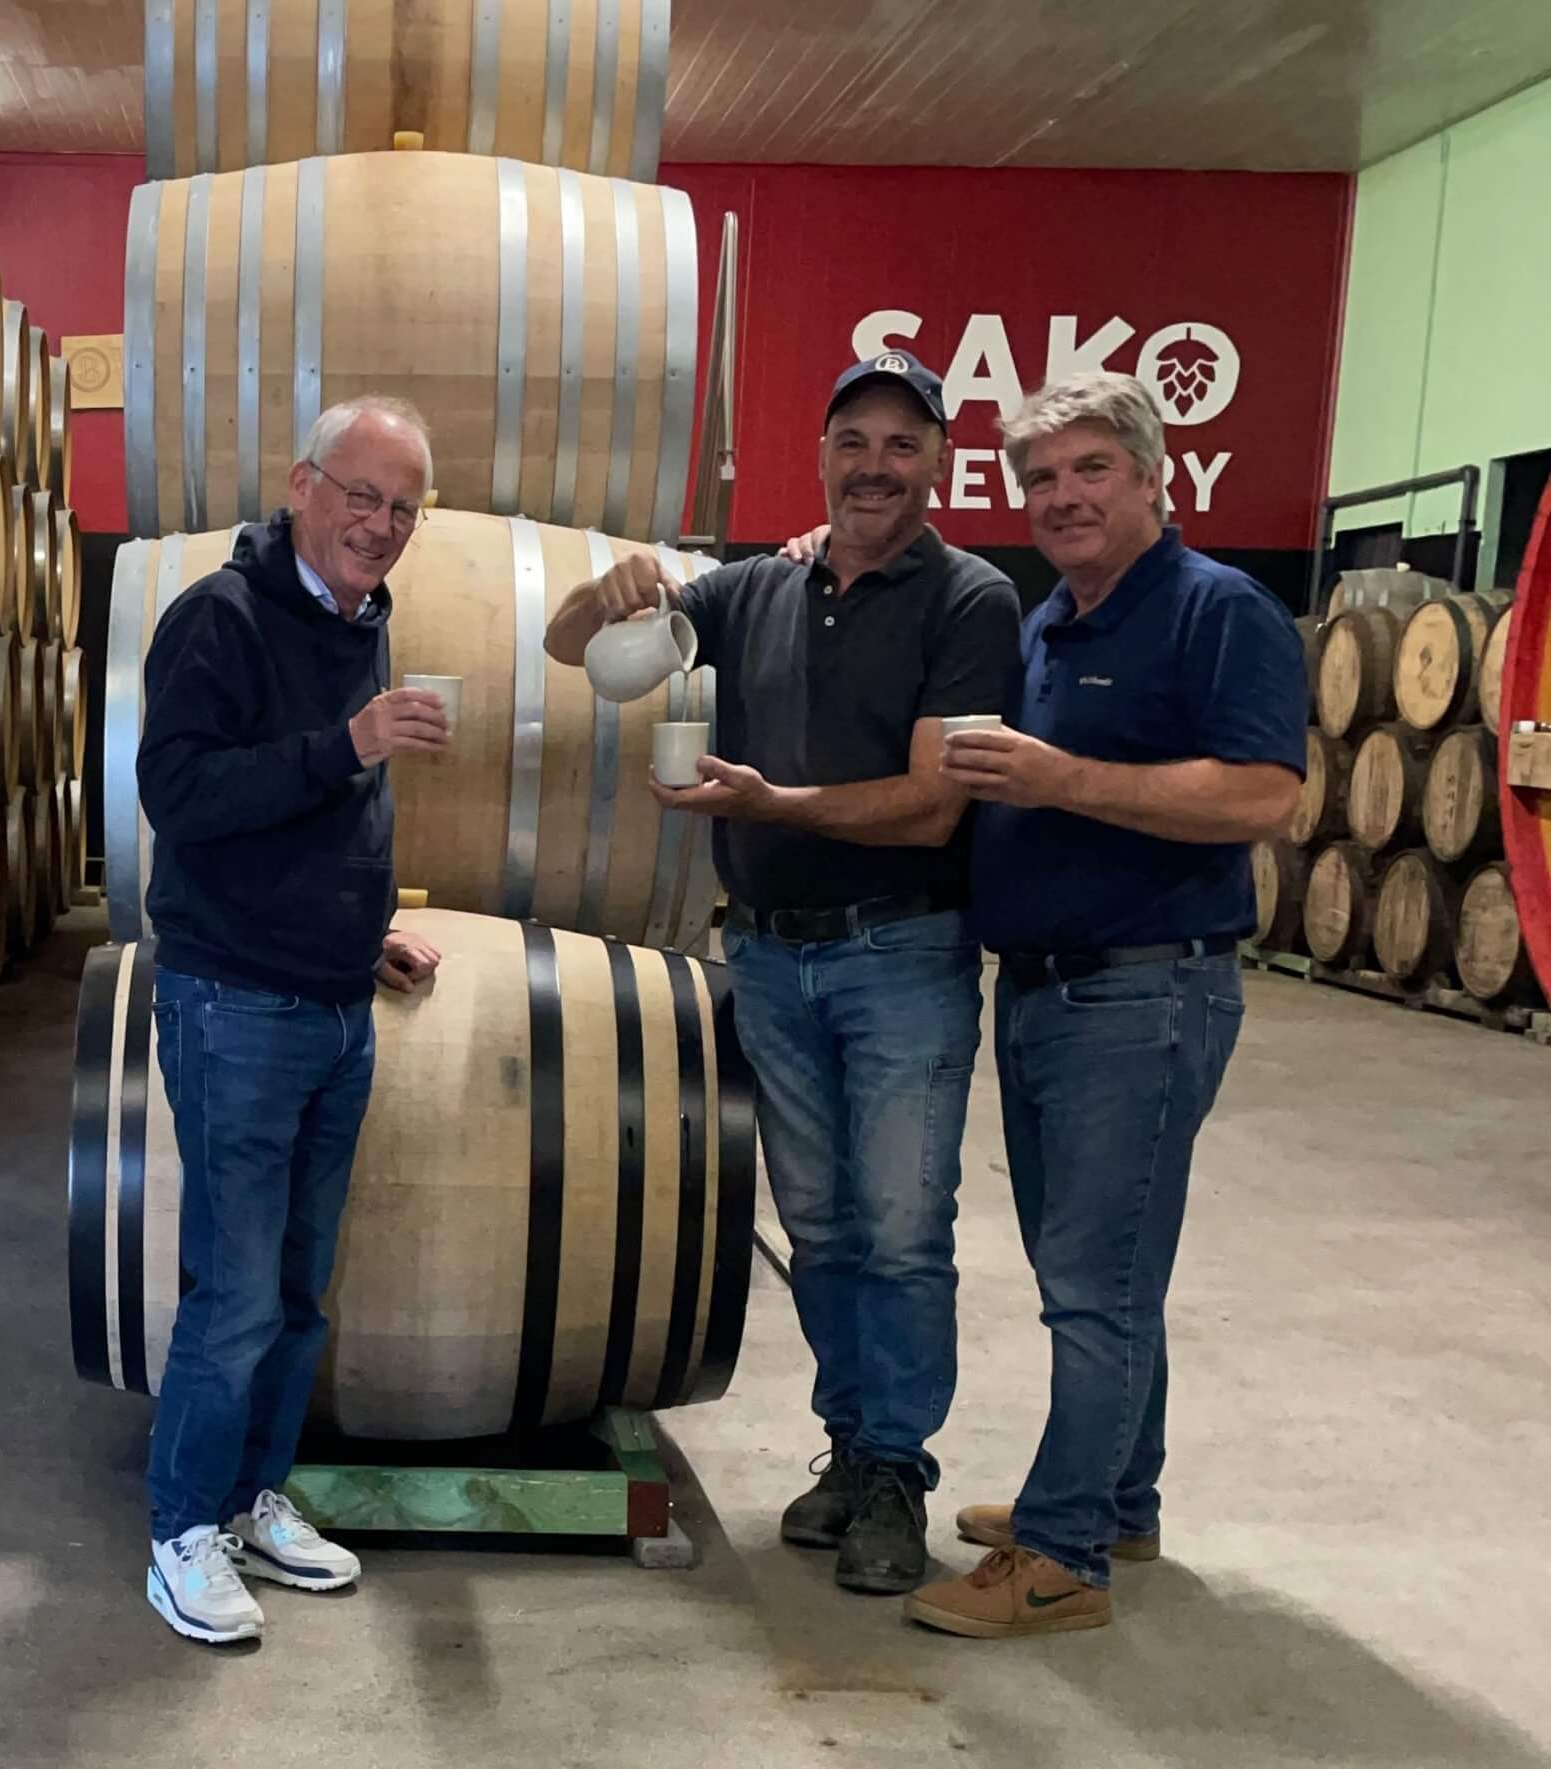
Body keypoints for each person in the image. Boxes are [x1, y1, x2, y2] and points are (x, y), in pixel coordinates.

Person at [544, 354, 1021, 1596]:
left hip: (900, 949)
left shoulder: (969, 599)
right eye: (852, 440)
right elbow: (564, 643)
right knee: (817, 1226)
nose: (875, 465)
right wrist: (609, 584)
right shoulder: (753, 586)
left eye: (902, 443)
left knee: (901, 1228)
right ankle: (851, 1444)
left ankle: (895, 1470)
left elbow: (931, 806)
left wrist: (774, 801)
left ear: (937, 463)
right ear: (818, 457)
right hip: (765, 951)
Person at [901, 371, 1303, 1638]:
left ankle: (1064, 1552)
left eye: (1089, 469)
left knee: (1093, 1285)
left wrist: (1062, 778)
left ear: (1151, 475)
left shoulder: (1215, 609)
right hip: (1043, 991)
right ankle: (1120, 1499)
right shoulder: (1049, 621)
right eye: (1040, 477)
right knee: (1101, 1265)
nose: (1061, 496)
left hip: (1144, 988)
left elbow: (1262, 796)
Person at [134, 395, 450, 1645]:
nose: (381, 524)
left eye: (403, 507)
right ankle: (180, 1530)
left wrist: (358, 935)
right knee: (236, 1297)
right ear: (301, 484)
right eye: (361, 495)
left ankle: (251, 1497)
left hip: (329, 1002)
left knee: (301, 1291)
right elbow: (179, 793)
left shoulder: (362, 620)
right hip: (236, 1005)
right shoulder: (218, 617)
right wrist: (345, 744)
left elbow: (321, 818)